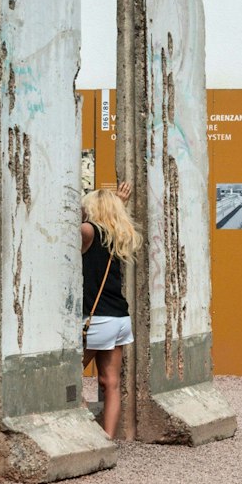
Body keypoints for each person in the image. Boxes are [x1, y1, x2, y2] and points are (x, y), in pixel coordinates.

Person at [80, 181, 138, 437]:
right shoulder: (118, 233)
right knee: (110, 383)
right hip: (120, 319)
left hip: (97, 320)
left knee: (64, 379)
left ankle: (85, 426)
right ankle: (108, 438)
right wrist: (118, 204)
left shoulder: (87, 230)